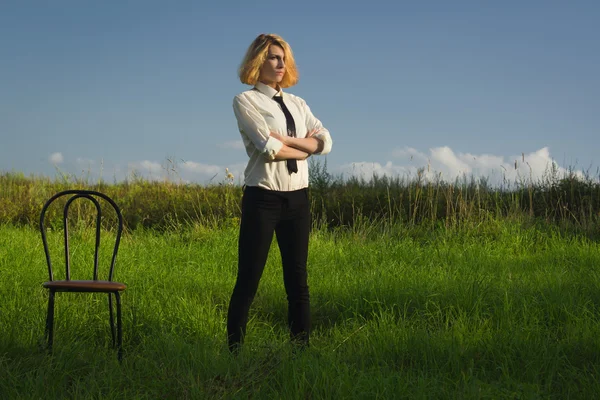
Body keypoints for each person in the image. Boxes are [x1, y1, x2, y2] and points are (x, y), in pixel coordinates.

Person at [227, 33, 333, 352]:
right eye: (273, 57)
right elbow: (268, 147)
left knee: (298, 281)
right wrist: (306, 148)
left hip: (299, 198)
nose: (280, 63)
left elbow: (326, 141)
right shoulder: (246, 101)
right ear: (258, 61)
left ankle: (300, 351)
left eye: (283, 57)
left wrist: (296, 146)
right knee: (249, 278)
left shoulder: (299, 104)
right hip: (263, 198)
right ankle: (235, 353)